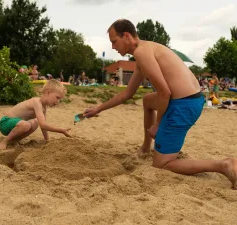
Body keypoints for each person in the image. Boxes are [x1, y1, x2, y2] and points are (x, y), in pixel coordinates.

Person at [83, 19, 237, 189]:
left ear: (126, 36)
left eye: (114, 41)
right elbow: (128, 93)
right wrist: (98, 108)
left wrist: (158, 124)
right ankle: (145, 148)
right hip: (191, 99)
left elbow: (165, 92)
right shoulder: (145, 49)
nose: (113, 46)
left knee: (162, 165)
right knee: (147, 100)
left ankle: (223, 165)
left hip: (183, 106)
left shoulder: (142, 53)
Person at [0, 79, 71, 150]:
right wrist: (61, 130)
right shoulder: (36, 102)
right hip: (5, 123)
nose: (58, 101)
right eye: (57, 98)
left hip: (16, 126)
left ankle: (14, 140)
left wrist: (47, 141)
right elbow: (43, 125)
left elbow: (43, 127)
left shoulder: (44, 108)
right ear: (48, 92)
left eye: (60, 99)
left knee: (35, 122)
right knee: (26, 125)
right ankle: (5, 141)